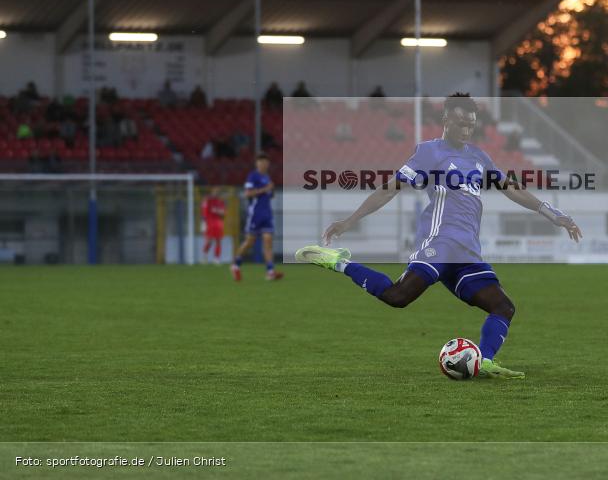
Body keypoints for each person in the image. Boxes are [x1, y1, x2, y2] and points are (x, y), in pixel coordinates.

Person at [297, 92, 582, 379]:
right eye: (460, 123)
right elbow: (389, 188)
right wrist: (350, 221)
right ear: (446, 120)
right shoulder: (429, 152)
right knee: (398, 297)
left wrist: (552, 213)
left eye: (471, 124)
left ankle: (484, 362)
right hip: (440, 243)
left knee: (503, 306)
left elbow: (512, 188)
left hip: (467, 252)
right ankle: (338, 262)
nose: (466, 130)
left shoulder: (479, 156)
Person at [230, 153, 284, 282]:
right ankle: (235, 264)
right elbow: (248, 193)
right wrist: (266, 189)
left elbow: (269, 195)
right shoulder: (253, 176)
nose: (263, 164)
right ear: (257, 164)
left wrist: (270, 191)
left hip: (267, 213)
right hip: (255, 214)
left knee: (268, 241)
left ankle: (270, 271)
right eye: (261, 162)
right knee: (249, 242)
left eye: (265, 162)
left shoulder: (267, 177)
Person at [201, 188, 227, 264]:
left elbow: (223, 214)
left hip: (218, 223)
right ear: (212, 192)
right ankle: (204, 255)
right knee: (209, 240)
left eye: (218, 192)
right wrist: (203, 223)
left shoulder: (221, 202)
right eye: (215, 192)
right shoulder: (208, 201)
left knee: (218, 241)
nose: (216, 193)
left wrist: (220, 212)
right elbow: (204, 212)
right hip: (209, 223)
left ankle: (216, 258)